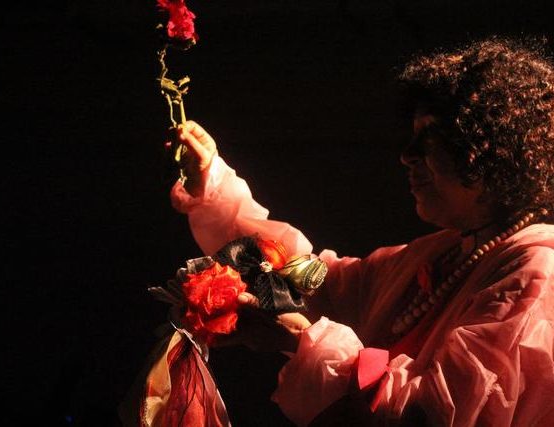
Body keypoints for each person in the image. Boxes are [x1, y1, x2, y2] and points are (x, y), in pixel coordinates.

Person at [168, 38, 554, 426]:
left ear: (490, 150)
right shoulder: (451, 251)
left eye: (430, 140)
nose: (407, 156)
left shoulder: (536, 272)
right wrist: (213, 184)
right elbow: (316, 282)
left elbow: (433, 415)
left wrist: (302, 340)